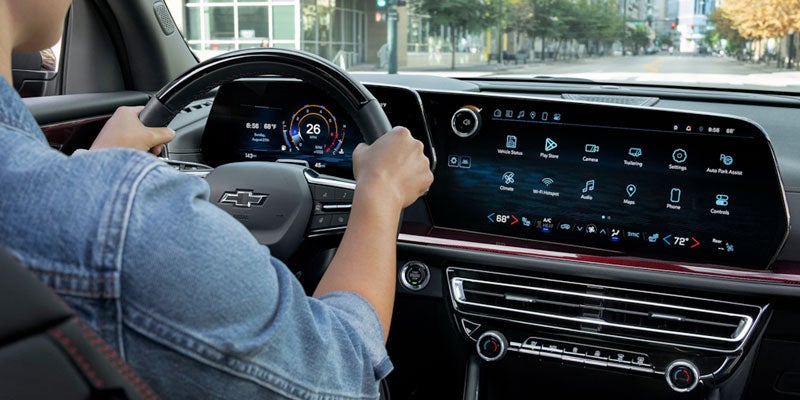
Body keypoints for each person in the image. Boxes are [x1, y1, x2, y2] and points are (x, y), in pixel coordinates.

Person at [0, 1, 433, 399]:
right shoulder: (126, 218)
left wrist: (99, 168)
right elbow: (343, 370)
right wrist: (379, 194)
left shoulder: (88, 202)